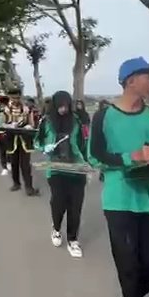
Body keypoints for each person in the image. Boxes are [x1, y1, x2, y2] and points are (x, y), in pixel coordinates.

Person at [88, 57, 149, 297]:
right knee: (128, 267)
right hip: (118, 200)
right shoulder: (104, 116)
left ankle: (132, 295)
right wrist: (129, 157)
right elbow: (95, 155)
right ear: (131, 80)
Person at [35, 91, 88, 258]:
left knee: (75, 205)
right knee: (59, 202)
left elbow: (84, 143)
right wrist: (45, 148)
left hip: (76, 167)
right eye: (60, 105)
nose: (63, 109)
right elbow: (37, 140)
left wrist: (88, 164)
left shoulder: (77, 121)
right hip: (56, 168)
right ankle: (56, 228)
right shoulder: (46, 121)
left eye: (66, 105)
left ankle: (73, 240)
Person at [4, 88, 39, 196]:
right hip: (12, 140)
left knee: (25, 165)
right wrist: (10, 125)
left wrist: (29, 126)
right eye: (13, 97)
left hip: (24, 140)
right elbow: (2, 124)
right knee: (14, 163)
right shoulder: (6, 109)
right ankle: (16, 183)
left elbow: (32, 124)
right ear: (10, 97)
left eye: (17, 97)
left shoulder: (27, 109)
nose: (15, 100)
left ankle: (29, 187)